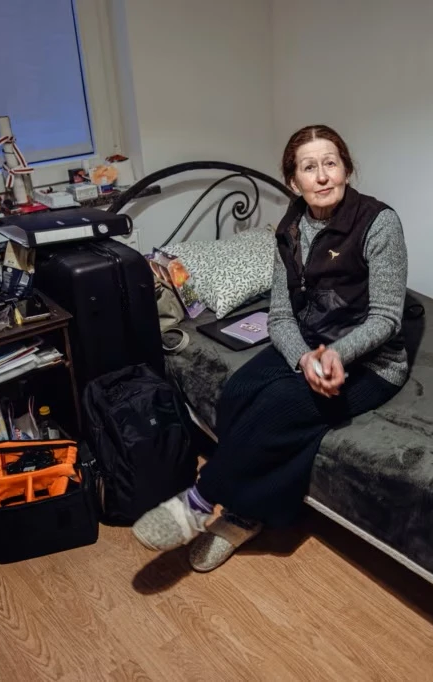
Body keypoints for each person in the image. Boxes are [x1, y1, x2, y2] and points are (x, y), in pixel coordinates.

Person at [132, 125, 410, 571]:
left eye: (331, 163)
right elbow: (280, 316)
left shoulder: (379, 223)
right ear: (293, 182)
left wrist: (335, 356)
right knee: (238, 391)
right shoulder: (290, 227)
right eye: (309, 167)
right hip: (310, 340)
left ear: (346, 169)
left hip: (373, 361)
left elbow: (387, 318)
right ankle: (253, 509)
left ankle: (204, 502)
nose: (322, 176)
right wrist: (304, 357)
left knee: (280, 406)